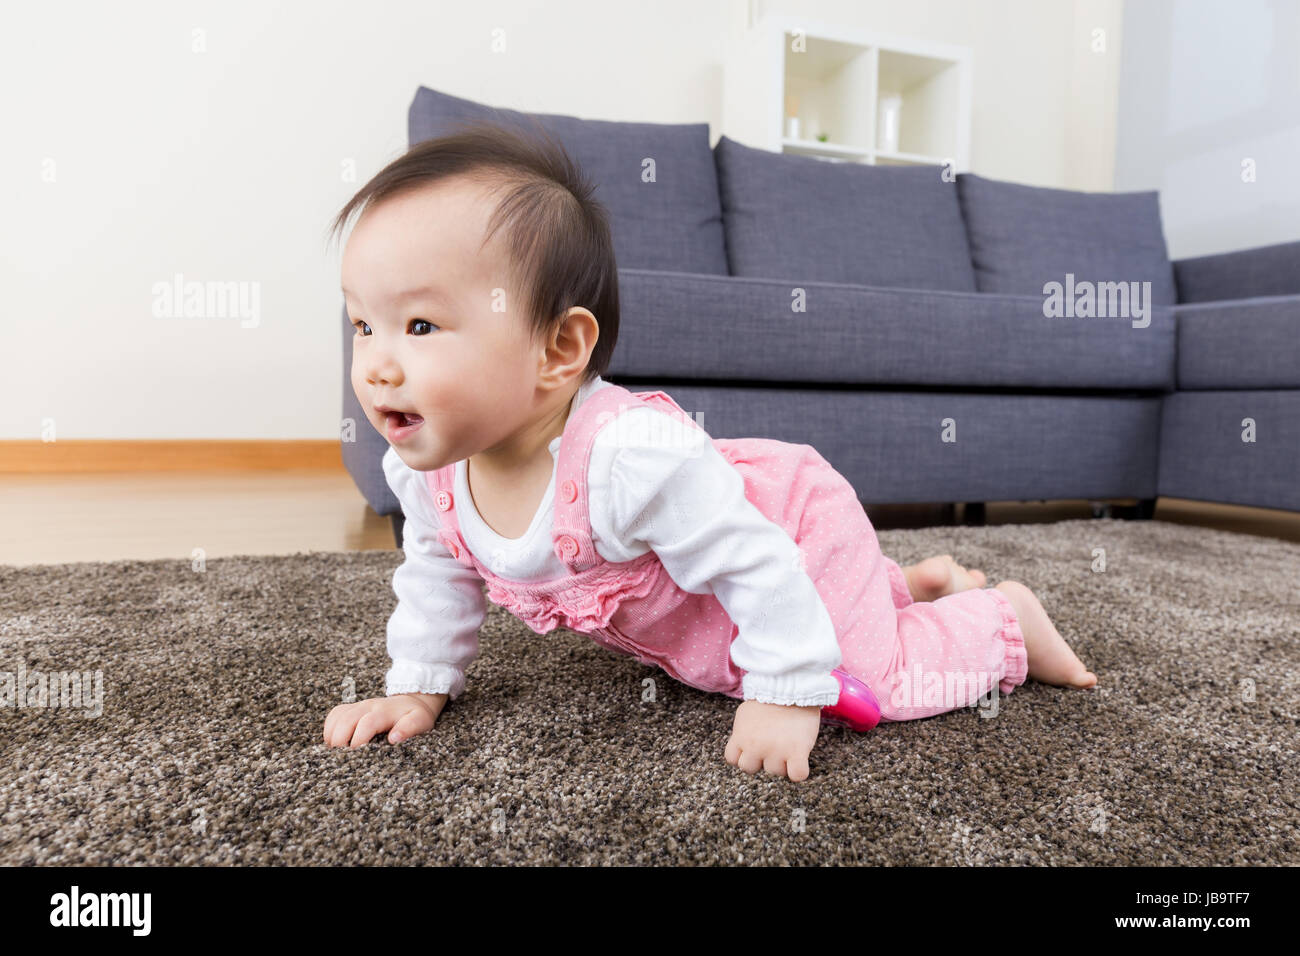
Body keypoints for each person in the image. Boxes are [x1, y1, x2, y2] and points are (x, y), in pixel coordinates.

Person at [321, 120, 1097, 782]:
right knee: (728, 651)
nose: (378, 365)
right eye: (363, 326)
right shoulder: (430, 475)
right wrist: (416, 686)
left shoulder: (628, 459)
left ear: (559, 349)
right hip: (719, 597)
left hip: (787, 528)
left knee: (870, 679)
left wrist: (790, 690)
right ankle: (899, 588)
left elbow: (754, 565)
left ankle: (1003, 621)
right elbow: (434, 577)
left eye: (420, 327)